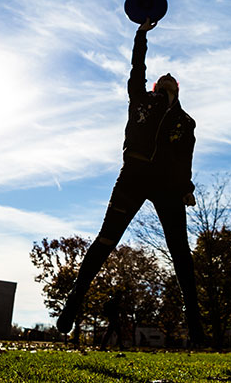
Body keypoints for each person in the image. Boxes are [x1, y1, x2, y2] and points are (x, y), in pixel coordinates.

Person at [57, 17, 204, 347]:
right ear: (154, 86)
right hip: (133, 177)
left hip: (167, 186)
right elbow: (138, 67)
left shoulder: (186, 121)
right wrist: (141, 35)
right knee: (106, 240)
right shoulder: (140, 100)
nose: (165, 77)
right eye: (161, 78)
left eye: (172, 79)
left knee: (181, 253)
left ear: (177, 90)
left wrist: (186, 189)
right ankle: (73, 301)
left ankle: (195, 324)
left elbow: (186, 159)